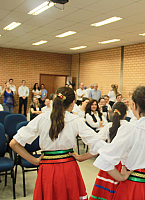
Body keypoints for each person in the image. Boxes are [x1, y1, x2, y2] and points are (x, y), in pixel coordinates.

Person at [9, 86, 107, 200]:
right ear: (72, 103)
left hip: (47, 168)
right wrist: (82, 157)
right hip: (68, 167)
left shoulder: (41, 118)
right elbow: (99, 145)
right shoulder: (75, 120)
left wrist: (34, 161)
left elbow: (14, 143)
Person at [92, 86, 145, 200]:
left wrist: (121, 177)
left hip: (135, 186)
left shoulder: (130, 129)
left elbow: (105, 160)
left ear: (134, 106)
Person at [70, 102, 129, 200]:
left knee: (104, 194)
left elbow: (96, 145)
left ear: (112, 113)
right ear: (126, 114)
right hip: (124, 166)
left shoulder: (108, 126)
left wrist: (81, 158)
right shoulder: (130, 127)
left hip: (109, 166)